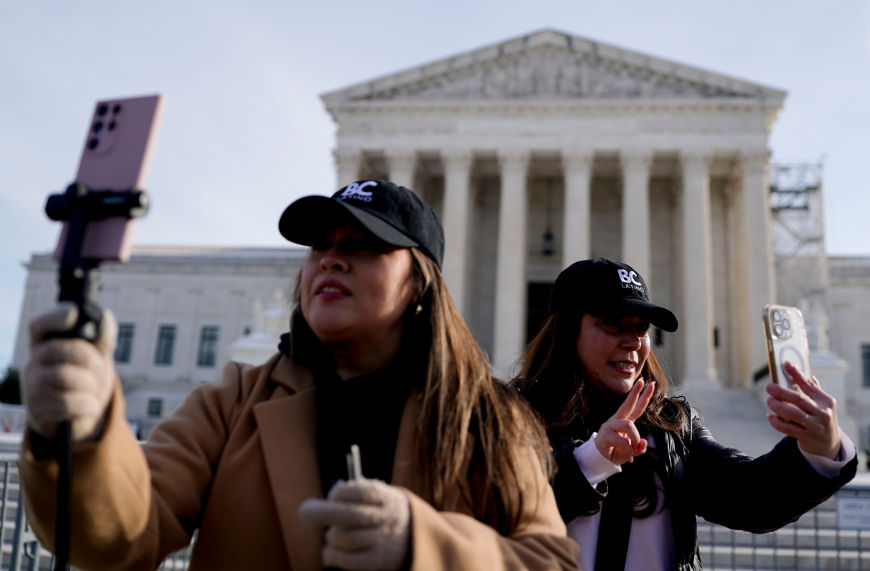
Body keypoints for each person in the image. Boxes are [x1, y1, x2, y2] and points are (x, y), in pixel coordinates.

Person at [20, 180, 580, 571]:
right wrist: (83, 437)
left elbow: (551, 562)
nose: (331, 260)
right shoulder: (234, 401)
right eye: (321, 246)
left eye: (364, 247)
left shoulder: (487, 419)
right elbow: (119, 535)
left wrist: (421, 547)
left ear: (419, 287)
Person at [513, 258, 858, 571]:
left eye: (640, 328)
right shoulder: (512, 413)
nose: (633, 342)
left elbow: (750, 499)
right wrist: (590, 460)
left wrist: (819, 450)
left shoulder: (671, 426)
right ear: (566, 331)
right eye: (613, 324)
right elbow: (495, 508)